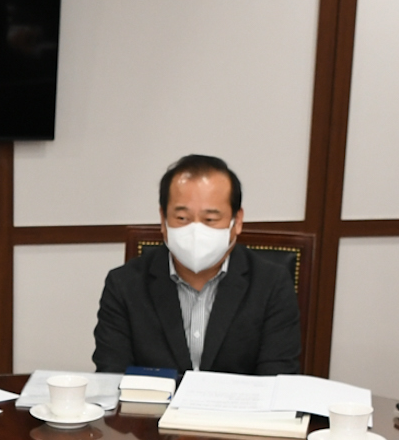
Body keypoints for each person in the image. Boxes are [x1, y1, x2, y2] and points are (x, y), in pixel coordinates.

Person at [92, 154, 302, 377]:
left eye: (210, 219)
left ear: (237, 221)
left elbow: (277, 380)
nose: (195, 231)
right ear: (163, 219)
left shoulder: (271, 284)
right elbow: (112, 377)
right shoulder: (124, 284)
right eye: (182, 218)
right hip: (153, 401)